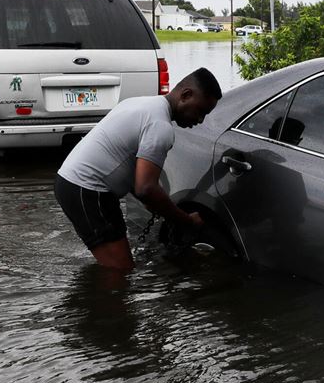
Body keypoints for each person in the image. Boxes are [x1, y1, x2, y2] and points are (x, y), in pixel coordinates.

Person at [54, 67, 223, 270]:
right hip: (87, 190)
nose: (200, 120)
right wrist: (187, 221)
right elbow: (146, 189)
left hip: (72, 182)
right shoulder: (160, 127)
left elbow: (129, 170)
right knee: (121, 271)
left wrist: (157, 204)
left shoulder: (141, 103)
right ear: (186, 95)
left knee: (117, 268)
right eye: (200, 111)